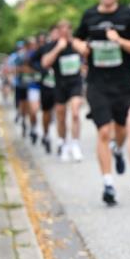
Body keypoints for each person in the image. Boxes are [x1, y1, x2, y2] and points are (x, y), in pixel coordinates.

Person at [72, 0, 130, 206]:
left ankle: (117, 149)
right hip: (97, 84)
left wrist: (120, 41)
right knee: (104, 132)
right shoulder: (90, 15)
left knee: (121, 131)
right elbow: (76, 39)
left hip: (123, 84)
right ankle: (108, 184)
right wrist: (81, 47)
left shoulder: (127, 16)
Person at [39, 19, 86, 162]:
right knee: (61, 116)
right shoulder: (53, 45)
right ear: (58, 31)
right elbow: (45, 63)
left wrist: (74, 43)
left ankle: (75, 144)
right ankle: (64, 143)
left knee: (76, 113)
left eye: (68, 28)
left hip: (75, 83)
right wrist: (58, 48)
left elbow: (86, 51)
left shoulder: (75, 43)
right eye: (62, 29)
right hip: (60, 84)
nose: (65, 31)